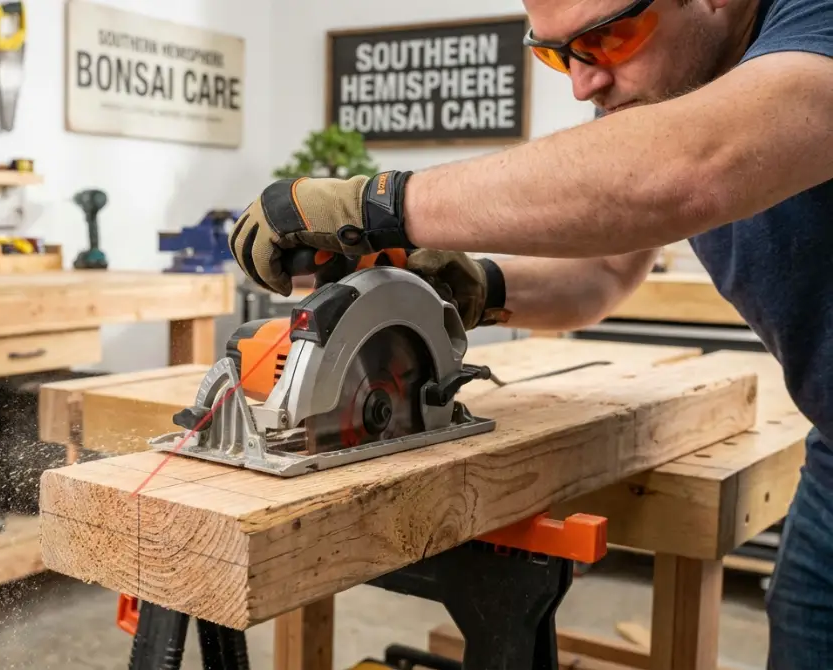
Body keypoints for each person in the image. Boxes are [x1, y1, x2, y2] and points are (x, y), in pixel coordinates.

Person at [229, 0, 833, 666]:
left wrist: (377, 206)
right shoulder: (654, 88)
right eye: (556, 53)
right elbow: (602, 273)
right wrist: (476, 288)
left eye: (609, 37)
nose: (583, 83)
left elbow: (695, 164)